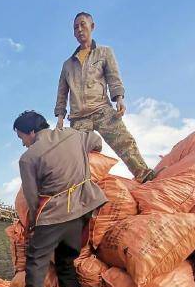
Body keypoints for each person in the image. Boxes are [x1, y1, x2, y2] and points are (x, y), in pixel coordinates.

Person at [14, 110, 107, 287]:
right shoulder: (73, 135)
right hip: (81, 211)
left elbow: (32, 197)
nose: (22, 143)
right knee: (66, 259)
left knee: (36, 261)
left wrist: (32, 223)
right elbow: (97, 140)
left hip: (53, 216)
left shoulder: (28, 158)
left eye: (21, 137)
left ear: (31, 132)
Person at [54, 11, 155, 183]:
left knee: (125, 142)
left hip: (102, 109)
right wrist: (60, 117)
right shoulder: (67, 65)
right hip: (79, 119)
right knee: (76, 159)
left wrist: (119, 98)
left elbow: (113, 77)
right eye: (75, 27)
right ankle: (83, 194)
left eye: (83, 24)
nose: (79, 29)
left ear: (92, 27)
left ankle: (145, 175)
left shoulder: (104, 52)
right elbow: (62, 92)